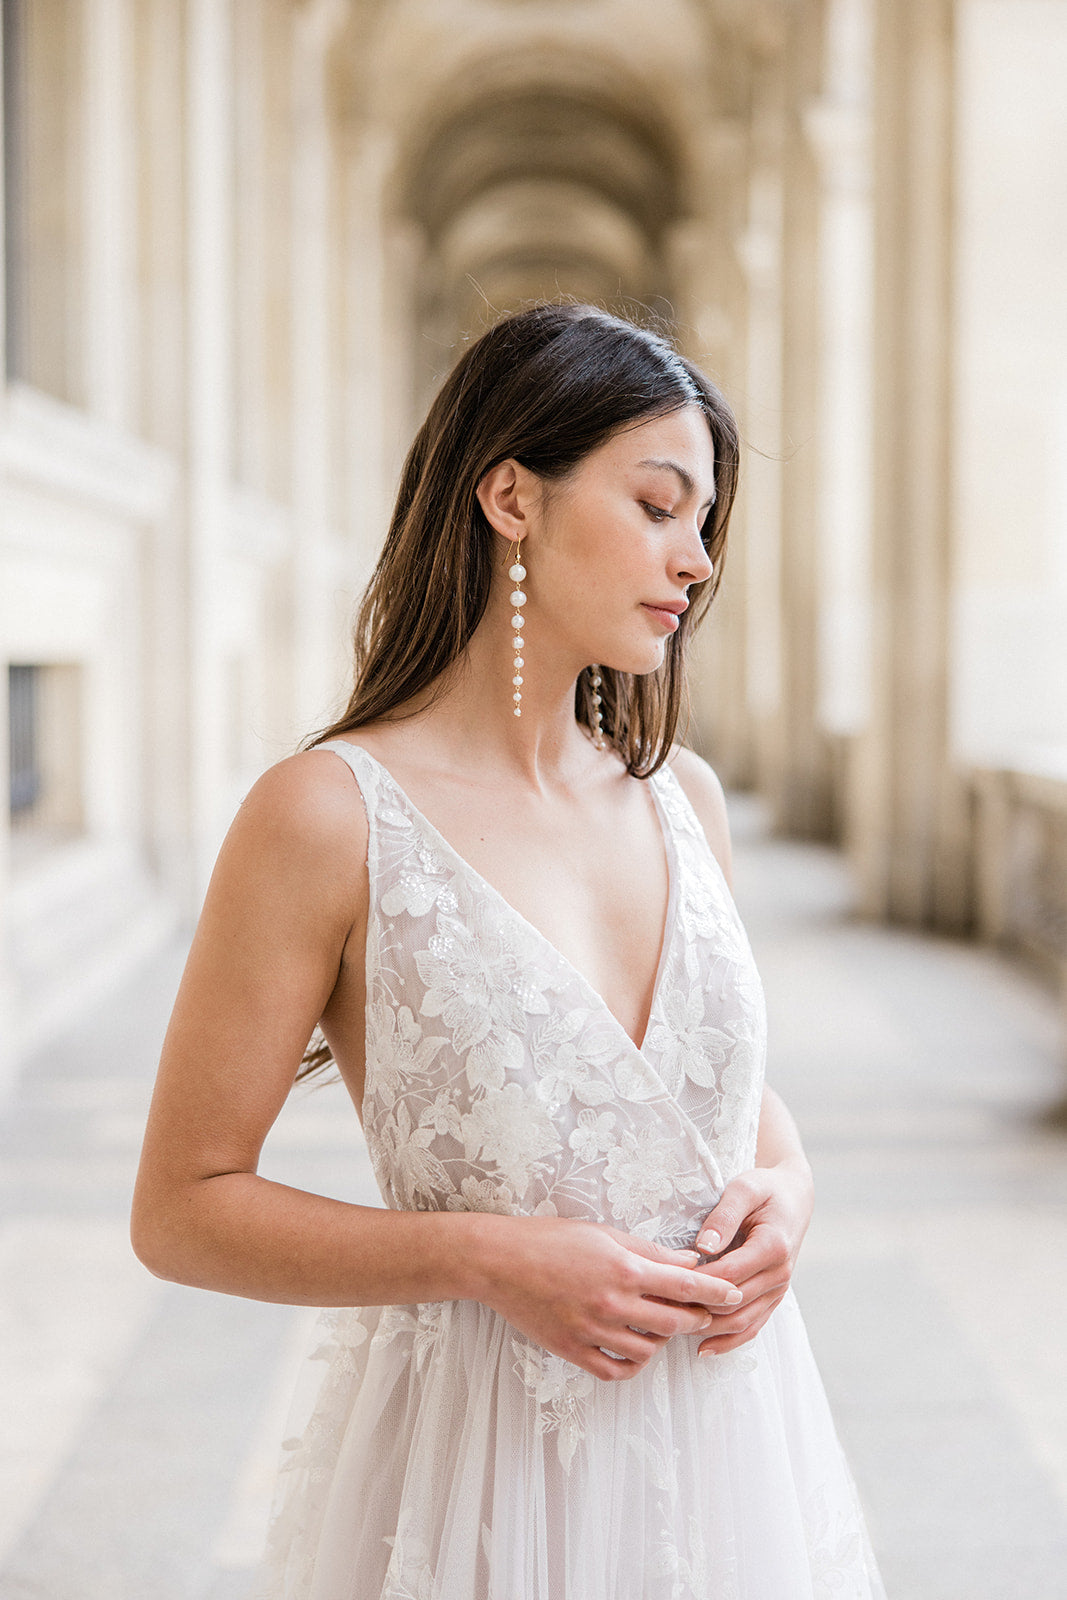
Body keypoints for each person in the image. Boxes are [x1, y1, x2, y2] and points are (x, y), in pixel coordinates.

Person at [132, 303, 885, 1599]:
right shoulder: (324, 816)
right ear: (509, 497)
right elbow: (181, 1210)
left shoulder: (681, 799)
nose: (697, 559)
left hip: (734, 1451)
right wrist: (483, 1258)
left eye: (705, 522)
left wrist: (792, 1185)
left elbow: (684, 1102)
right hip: (475, 1484)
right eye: (659, 505)